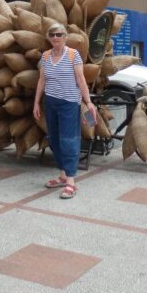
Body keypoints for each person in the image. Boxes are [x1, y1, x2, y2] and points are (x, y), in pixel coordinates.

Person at [33, 23, 97, 199]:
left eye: (59, 34)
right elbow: (42, 80)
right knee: (54, 139)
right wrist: (36, 102)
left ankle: (71, 182)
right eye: (52, 34)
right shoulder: (46, 56)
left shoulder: (72, 55)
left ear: (65, 37)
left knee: (68, 140)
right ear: (48, 37)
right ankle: (62, 175)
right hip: (51, 103)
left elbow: (81, 80)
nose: (55, 37)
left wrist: (88, 102)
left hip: (69, 104)